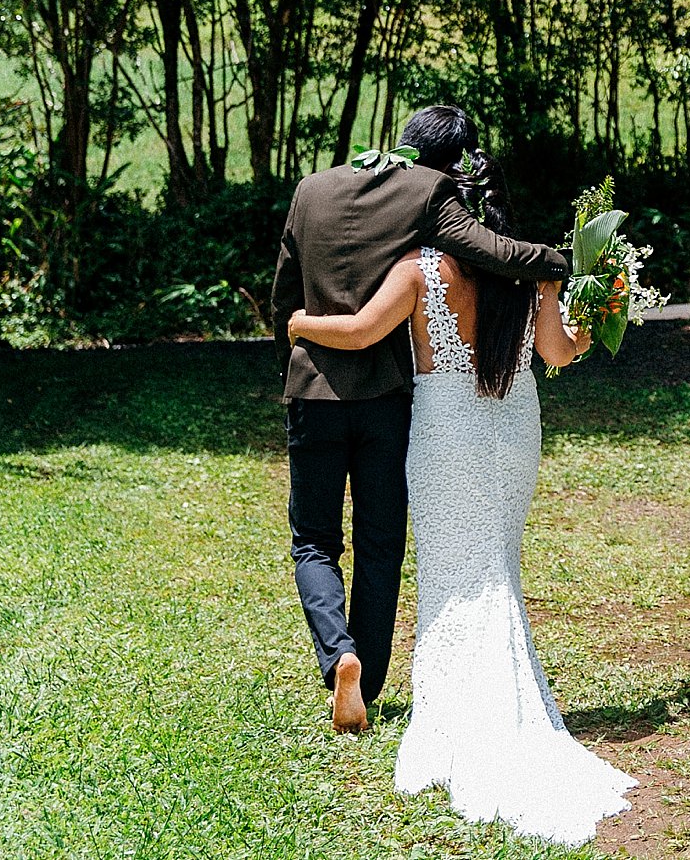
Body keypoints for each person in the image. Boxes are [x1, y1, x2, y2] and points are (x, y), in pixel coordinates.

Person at [287, 152, 635, 844]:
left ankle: (449, 706)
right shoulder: (531, 272)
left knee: (451, 573)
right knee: (498, 564)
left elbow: (357, 331)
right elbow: (559, 353)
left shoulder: (421, 269)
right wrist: (600, 315)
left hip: (445, 431)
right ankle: (504, 695)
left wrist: (298, 323)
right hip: (513, 428)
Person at [270, 105, 571, 735]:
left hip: (314, 392)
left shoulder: (311, 189)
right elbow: (493, 252)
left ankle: (339, 656)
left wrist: (296, 339)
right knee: (380, 545)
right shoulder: (429, 191)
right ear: (456, 162)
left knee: (314, 540)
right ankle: (369, 680)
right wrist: (563, 259)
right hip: (386, 400)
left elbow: (285, 296)